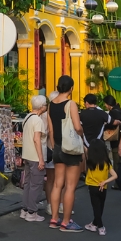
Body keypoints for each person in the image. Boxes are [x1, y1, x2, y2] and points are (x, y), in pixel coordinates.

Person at [47, 75, 84, 232]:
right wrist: (82, 135)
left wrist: (54, 145)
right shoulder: (71, 104)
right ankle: (66, 222)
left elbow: (50, 129)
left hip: (57, 147)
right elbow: (77, 126)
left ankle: (54, 218)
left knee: (57, 184)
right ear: (71, 88)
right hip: (70, 148)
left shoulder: (51, 105)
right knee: (70, 187)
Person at [20, 95, 48, 222]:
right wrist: (41, 159)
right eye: (45, 104)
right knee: (36, 185)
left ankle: (25, 209)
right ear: (41, 107)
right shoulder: (37, 120)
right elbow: (37, 139)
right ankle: (32, 211)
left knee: (28, 183)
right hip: (36, 156)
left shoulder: (27, 117)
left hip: (27, 155)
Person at [84, 139, 117, 236]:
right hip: (104, 187)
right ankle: (94, 223)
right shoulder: (106, 163)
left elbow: (85, 149)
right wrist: (104, 182)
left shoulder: (90, 162)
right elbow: (115, 176)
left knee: (96, 207)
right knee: (100, 206)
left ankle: (101, 227)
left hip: (92, 186)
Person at [102, 95, 121, 190]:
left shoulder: (113, 112)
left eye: (105, 103)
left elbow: (112, 124)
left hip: (117, 140)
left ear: (108, 104)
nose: (104, 105)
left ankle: (119, 182)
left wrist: (105, 126)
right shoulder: (120, 110)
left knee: (117, 162)